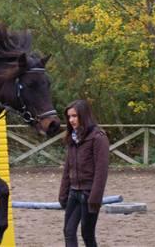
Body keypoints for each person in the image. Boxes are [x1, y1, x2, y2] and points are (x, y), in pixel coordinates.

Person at [58, 99, 109, 247]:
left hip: (89, 194)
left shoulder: (98, 137)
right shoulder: (73, 138)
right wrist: (63, 192)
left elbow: (101, 171)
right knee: (68, 231)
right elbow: (68, 168)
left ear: (84, 115)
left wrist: (94, 198)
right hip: (74, 193)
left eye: (74, 116)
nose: (71, 120)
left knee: (87, 234)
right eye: (69, 117)